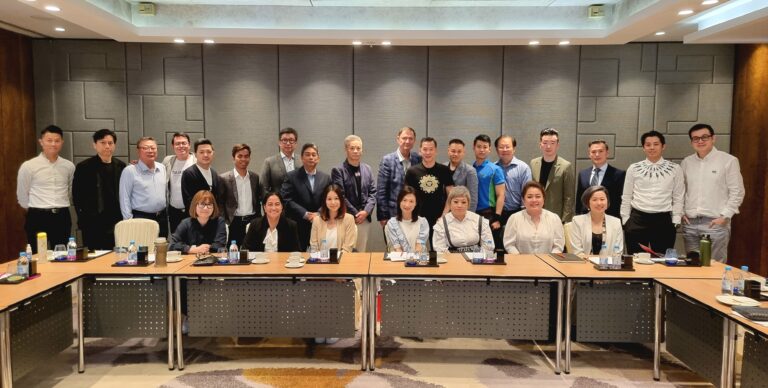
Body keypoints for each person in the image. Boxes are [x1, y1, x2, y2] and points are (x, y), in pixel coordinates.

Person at [681, 123, 745, 262]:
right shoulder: (687, 162)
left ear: (713, 138)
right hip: (690, 223)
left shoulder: (728, 160)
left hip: (715, 223)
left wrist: (725, 216)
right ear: (691, 142)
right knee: (692, 267)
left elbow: (737, 191)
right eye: (695, 138)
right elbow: (681, 190)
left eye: (704, 137)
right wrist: (681, 211)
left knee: (714, 268)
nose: (700, 141)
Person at [621, 130, 685, 255]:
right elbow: (627, 195)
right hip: (637, 219)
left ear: (663, 146)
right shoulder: (633, 168)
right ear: (643, 148)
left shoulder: (675, 169)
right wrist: (625, 219)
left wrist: (676, 219)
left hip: (663, 220)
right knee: (635, 260)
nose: (652, 147)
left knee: (662, 261)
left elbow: (678, 196)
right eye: (648, 144)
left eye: (656, 144)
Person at [17, 125, 75, 251]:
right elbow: (22, 193)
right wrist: (35, 208)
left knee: (62, 255)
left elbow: (69, 190)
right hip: (37, 216)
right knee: (37, 256)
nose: (53, 144)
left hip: (62, 216)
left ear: (62, 142)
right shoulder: (29, 166)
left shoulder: (69, 166)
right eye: (49, 140)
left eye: (57, 140)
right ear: (41, 142)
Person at [72, 129, 127, 250]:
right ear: (95, 145)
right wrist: (82, 218)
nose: (107, 146)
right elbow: (77, 196)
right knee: (93, 257)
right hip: (92, 222)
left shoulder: (121, 166)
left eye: (110, 143)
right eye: (103, 142)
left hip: (116, 221)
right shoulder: (84, 167)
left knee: (116, 256)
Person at [281, 143, 331, 251]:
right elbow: (287, 199)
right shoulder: (291, 176)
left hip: (320, 223)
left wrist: (318, 213)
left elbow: (329, 199)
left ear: (318, 158)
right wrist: (306, 214)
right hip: (298, 224)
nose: (311, 157)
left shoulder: (326, 178)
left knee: (320, 256)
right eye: (307, 154)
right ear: (302, 158)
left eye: (314, 155)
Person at [331, 135, 377, 251]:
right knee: (345, 252)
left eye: (358, 148)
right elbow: (340, 196)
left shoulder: (367, 169)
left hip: (364, 219)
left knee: (361, 252)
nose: (356, 151)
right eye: (352, 148)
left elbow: (373, 193)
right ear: (346, 149)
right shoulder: (338, 170)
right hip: (346, 218)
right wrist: (356, 214)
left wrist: (366, 212)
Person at [405, 137, 454, 244]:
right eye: (425, 149)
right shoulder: (412, 171)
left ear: (436, 151)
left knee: (436, 250)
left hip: (438, 217)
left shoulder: (444, 170)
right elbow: (407, 197)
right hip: (417, 217)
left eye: (431, 149)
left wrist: (444, 215)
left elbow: (451, 195)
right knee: (415, 249)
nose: (428, 152)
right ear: (420, 151)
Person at [119, 137, 169, 237]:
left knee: (161, 250)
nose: (150, 151)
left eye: (153, 148)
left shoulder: (162, 168)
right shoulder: (130, 171)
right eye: (145, 148)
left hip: (161, 218)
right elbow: (124, 198)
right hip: (141, 218)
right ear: (138, 151)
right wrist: (129, 222)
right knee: (143, 250)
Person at [218, 144, 263, 246]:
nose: (243, 159)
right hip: (233, 222)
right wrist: (224, 222)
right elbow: (220, 203)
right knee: (233, 256)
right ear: (234, 158)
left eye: (246, 156)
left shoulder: (255, 177)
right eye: (240, 156)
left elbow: (257, 201)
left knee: (253, 253)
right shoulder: (223, 178)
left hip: (252, 222)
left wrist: (258, 220)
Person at [376, 126, 421, 228]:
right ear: (398, 139)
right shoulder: (387, 160)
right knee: (394, 244)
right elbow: (381, 191)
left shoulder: (418, 159)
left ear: (414, 141)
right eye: (404, 138)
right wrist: (383, 216)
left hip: (414, 214)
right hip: (393, 213)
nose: (407, 141)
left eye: (410, 139)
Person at [503, 181, 565, 254]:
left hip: (548, 263)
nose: (534, 200)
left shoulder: (554, 218)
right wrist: (521, 259)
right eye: (529, 197)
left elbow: (559, 245)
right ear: (523, 200)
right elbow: (509, 245)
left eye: (538, 196)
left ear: (543, 199)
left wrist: (549, 260)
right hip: (521, 263)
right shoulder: (514, 218)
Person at [530, 128, 575, 223]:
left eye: (552, 143)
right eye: (545, 143)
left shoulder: (566, 166)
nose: (548, 146)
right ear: (540, 145)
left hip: (556, 217)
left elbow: (569, 197)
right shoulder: (534, 163)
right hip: (536, 214)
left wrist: (565, 221)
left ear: (557, 145)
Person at [432, 186, 494, 253]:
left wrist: (478, 259)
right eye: (456, 202)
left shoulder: (479, 220)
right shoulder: (442, 223)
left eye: (463, 202)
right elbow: (440, 249)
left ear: (468, 204)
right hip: (452, 260)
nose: (459, 205)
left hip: (477, 260)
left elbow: (488, 246)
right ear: (450, 203)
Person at [575, 140, 625, 219]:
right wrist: (578, 216)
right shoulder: (583, 174)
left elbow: (622, 201)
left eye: (601, 151)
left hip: (610, 219)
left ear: (607, 153)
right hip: (586, 219)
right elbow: (579, 200)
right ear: (589, 155)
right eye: (593, 152)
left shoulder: (619, 174)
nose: (597, 154)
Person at [569, 186, 624, 256]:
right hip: (584, 264)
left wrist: (606, 264)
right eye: (594, 200)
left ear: (607, 202)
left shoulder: (616, 222)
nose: (599, 203)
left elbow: (617, 251)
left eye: (602, 199)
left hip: (608, 265)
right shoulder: (578, 221)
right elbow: (577, 251)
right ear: (587, 203)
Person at [472, 134, 506, 249]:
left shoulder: (495, 169)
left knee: (490, 249)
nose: (482, 150)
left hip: (489, 213)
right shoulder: (471, 168)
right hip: (473, 213)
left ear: (489, 149)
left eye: (485, 147)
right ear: (474, 147)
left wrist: (497, 218)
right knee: (475, 247)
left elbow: (501, 195)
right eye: (479, 146)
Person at [162, 132, 197, 233]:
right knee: (177, 242)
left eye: (184, 143)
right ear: (173, 146)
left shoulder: (197, 161)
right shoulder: (168, 161)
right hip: (174, 211)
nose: (181, 146)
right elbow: (155, 170)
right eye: (177, 144)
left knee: (193, 242)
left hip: (193, 211)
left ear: (189, 145)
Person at [309, 184, 357, 253]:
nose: (333, 202)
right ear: (325, 201)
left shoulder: (349, 219)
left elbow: (347, 248)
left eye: (336, 198)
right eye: (329, 199)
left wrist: (334, 260)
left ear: (341, 200)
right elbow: (314, 247)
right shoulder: (317, 220)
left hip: (341, 260)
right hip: (321, 261)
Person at [384, 186, 430, 252]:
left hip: (417, 260)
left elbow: (419, 247)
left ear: (416, 204)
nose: (407, 205)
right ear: (399, 201)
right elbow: (398, 249)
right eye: (404, 200)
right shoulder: (392, 223)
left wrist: (413, 261)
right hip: (399, 259)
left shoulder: (423, 222)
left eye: (411, 201)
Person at [181, 138, 220, 213]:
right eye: (201, 152)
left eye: (209, 152)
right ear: (195, 154)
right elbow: (188, 201)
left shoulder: (214, 173)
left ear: (213, 153)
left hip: (212, 219)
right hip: (196, 220)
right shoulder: (188, 173)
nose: (205, 155)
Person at [261, 127, 301, 193]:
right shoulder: (269, 162)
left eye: (291, 140)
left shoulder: (302, 161)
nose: (288, 143)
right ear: (279, 143)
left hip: (298, 202)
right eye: (284, 140)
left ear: (295, 143)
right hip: (278, 202)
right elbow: (263, 186)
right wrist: (268, 202)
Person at [445, 139, 478, 211]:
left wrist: (469, 217)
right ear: (448, 151)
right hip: (443, 212)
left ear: (463, 153)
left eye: (459, 152)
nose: (456, 154)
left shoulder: (470, 171)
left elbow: (472, 198)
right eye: (453, 151)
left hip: (461, 212)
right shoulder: (442, 167)